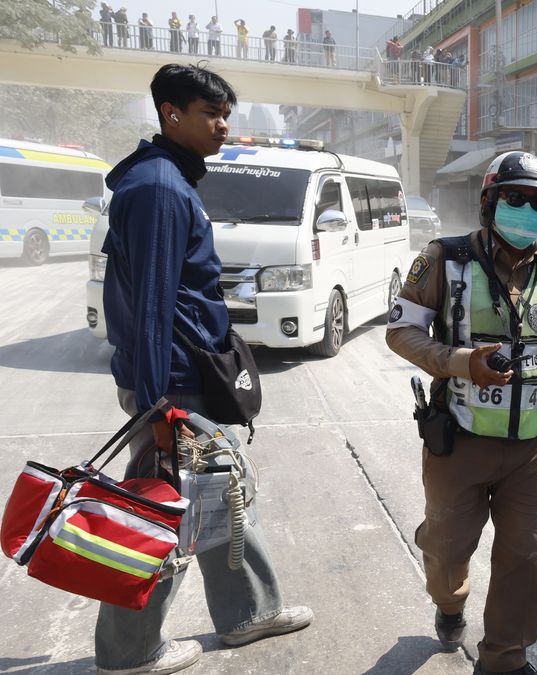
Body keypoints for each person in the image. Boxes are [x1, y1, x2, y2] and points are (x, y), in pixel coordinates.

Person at [96, 63, 312, 675]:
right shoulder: (160, 188)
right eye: (211, 115)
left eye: (227, 115)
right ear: (171, 114)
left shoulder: (163, 179)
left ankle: (246, 613)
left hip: (187, 379)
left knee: (224, 497)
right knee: (164, 514)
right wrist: (160, 407)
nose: (223, 127)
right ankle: (128, 651)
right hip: (176, 385)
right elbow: (154, 305)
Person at [385, 151, 537, 675]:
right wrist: (461, 363)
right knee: (447, 548)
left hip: (531, 445)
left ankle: (503, 659)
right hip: (460, 440)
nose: (527, 209)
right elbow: (401, 332)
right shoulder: (442, 259)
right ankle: (450, 604)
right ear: (490, 203)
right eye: (515, 198)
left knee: (526, 553)